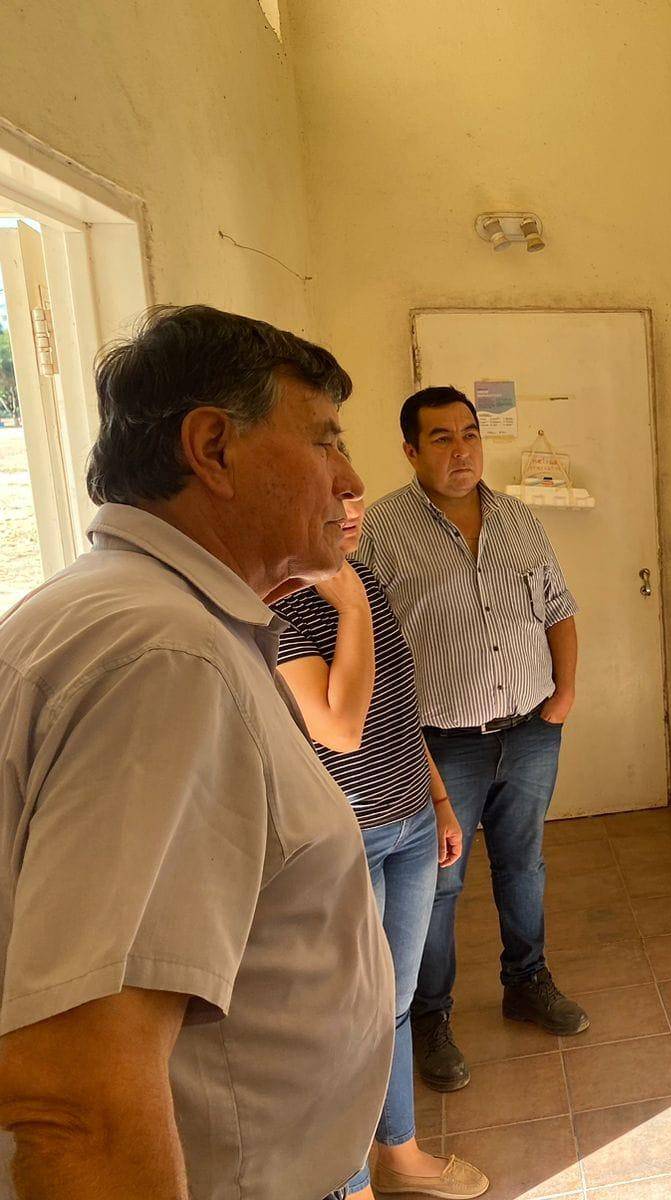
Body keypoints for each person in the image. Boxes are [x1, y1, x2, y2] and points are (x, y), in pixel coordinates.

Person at [0, 305, 392, 1200]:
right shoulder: (167, 661)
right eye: (325, 441)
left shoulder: (114, 610)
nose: (350, 479)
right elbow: (76, 1101)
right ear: (213, 448)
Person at [358, 385, 584, 1093]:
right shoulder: (382, 530)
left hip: (530, 730)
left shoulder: (518, 519)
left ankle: (527, 982)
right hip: (440, 743)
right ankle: (431, 1016)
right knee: (438, 884)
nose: (461, 451)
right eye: (441, 438)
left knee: (523, 864)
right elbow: (370, 647)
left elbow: (558, 609)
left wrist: (563, 695)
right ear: (410, 451)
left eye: (470, 434)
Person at [273, 484, 487, 1199]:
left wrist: (439, 800)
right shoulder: (273, 605)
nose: (352, 506)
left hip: (411, 822)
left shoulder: (362, 578)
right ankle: (352, 1181)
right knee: (345, 1014)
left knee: (394, 1002)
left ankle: (401, 1154)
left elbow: (398, 706)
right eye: (332, 496)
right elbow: (339, 727)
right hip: (344, 840)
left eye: (354, 491)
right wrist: (352, 607)